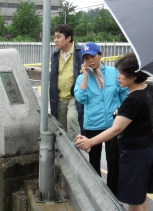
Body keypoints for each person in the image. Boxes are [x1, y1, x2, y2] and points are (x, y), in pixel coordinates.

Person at [75, 53, 153, 211]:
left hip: (134, 154)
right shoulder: (149, 89)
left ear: (134, 76)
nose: (118, 76)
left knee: (134, 199)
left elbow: (116, 129)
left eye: (122, 73)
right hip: (147, 149)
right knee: (141, 193)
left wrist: (89, 142)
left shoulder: (132, 100)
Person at [74, 42, 129, 197]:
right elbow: (80, 98)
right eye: (86, 58)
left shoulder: (113, 72)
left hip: (113, 124)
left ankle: (113, 192)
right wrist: (85, 77)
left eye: (93, 56)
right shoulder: (81, 78)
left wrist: (122, 112)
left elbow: (124, 92)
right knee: (94, 160)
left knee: (114, 159)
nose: (90, 60)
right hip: (93, 123)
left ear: (100, 55)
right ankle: (96, 192)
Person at [50, 24, 83, 141]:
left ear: (68, 38)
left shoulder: (80, 53)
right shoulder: (55, 55)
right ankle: (63, 156)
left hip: (75, 95)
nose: (55, 40)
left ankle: (75, 154)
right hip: (59, 96)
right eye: (54, 37)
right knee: (60, 129)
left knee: (72, 119)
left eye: (59, 37)